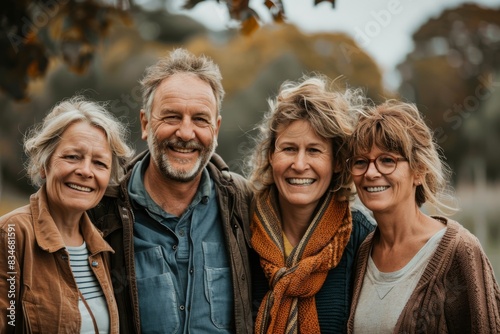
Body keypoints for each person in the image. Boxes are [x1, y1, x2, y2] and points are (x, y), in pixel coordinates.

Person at [88, 48, 254, 333]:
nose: (186, 133)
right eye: (172, 117)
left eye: (200, 119)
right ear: (145, 123)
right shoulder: (101, 209)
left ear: (215, 128)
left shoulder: (243, 203)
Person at [345, 100, 500, 333]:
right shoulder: (362, 252)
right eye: (360, 162)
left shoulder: (459, 251)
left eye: (387, 160)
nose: (371, 172)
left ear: (418, 171)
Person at [247, 74, 375, 334]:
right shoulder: (241, 232)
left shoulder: (361, 239)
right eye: (289, 149)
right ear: (271, 155)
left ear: (337, 162)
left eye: (314, 150)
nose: (300, 164)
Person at [0, 96, 134, 333]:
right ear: (44, 164)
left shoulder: (102, 247)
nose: (85, 171)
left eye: (99, 164)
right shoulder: (11, 234)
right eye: (72, 157)